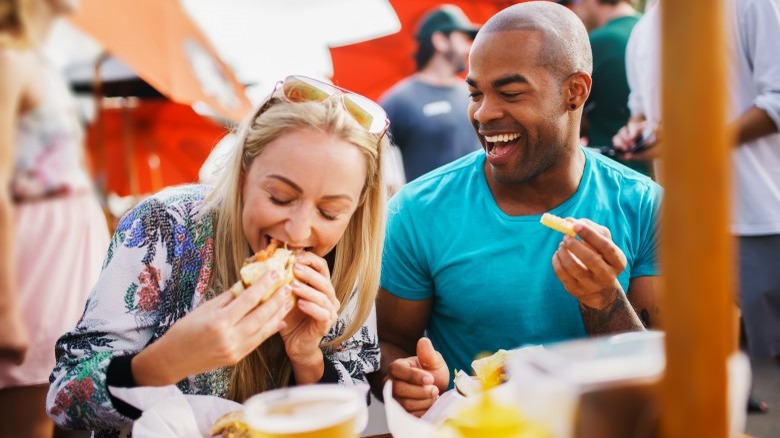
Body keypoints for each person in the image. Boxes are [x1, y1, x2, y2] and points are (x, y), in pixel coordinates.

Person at [46, 75, 390, 435]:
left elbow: (352, 413)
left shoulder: (345, 260)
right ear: (243, 173)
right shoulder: (165, 226)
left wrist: (308, 359)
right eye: (279, 198)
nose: (299, 231)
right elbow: (64, 398)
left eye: (330, 212)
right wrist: (167, 360)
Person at [368, 1, 662, 416]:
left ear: (575, 91)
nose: (483, 113)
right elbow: (388, 342)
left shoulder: (643, 204)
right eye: (475, 92)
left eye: (509, 93)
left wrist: (602, 299)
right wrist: (402, 376)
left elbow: (662, 370)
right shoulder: (417, 211)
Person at [613, 0, 780, 413]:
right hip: (681, 224)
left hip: (761, 214)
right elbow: (642, 114)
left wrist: (695, 140)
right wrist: (634, 135)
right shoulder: (644, 27)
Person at [1, 0, 111, 436]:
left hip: (68, 265)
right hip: (37, 269)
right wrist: (6, 307)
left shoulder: (39, 61)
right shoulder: (8, 58)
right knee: (30, 415)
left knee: (74, 412)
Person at [379, 4, 482, 182]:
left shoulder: (474, 93)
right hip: (427, 208)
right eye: (463, 39)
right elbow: (369, 154)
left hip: (479, 206)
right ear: (440, 40)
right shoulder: (400, 99)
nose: (468, 48)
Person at [565, 0, 651, 177]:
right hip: (655, 173)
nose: (574, 8)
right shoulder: (647, 32)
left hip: (612, 175)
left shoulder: (596, 42)